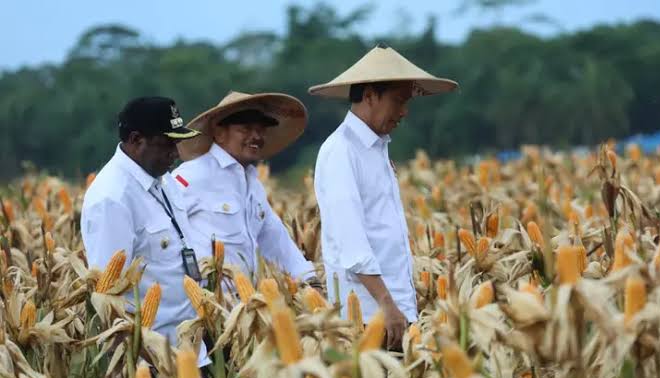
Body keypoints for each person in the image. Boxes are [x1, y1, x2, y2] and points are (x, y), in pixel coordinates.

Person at [309, 44, 459, 350]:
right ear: (369, 96)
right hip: (367, 316)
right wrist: (386, 304)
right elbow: (352, 242)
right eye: (398, 100)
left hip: (394, 311)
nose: (404, 111)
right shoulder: (341, 152)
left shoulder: (377, 149)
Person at [81, 97, 210, 366]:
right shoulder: (112, 198)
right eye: (166, 144)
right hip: (150, 360)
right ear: (136, 139)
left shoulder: (164, 180)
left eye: (177, 143)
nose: (175, 153)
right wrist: (125, 367)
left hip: (190, 349)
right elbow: (108, 296)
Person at [174, 91, 315, 284]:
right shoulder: (192, 176)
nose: (256, 136)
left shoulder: (253, 184)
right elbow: (163, 237)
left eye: (260, 130)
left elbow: (275, 240)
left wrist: (310, 279)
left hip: (243, 307)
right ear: (219, 133)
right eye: (246, 129)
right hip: (205, 303)